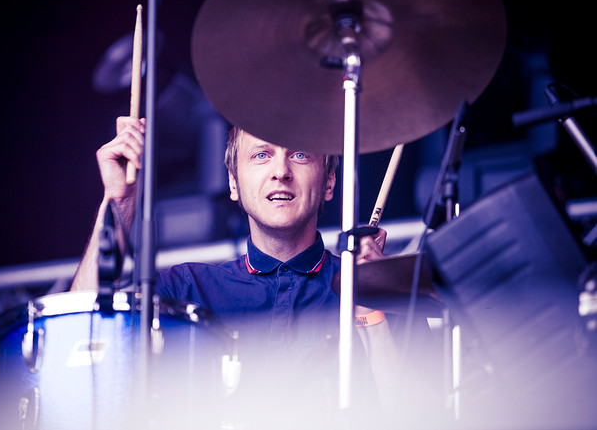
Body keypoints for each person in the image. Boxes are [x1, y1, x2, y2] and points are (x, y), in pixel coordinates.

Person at [71, 116, 431, 427]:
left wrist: (371, 313)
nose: (280, 172)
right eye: (261, 155)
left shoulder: (386, 292)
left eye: (300, 155)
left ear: (329, 182)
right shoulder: (185, 290)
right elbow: (77, 344)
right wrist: (118, 202)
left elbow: (426, 420)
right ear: (233, 182)